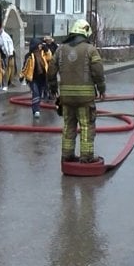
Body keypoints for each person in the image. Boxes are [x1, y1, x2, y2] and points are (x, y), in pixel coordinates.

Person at [48, 19, 106, 164]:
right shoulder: (90, 50)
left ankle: (67, 155)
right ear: (85, 33)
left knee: (68, 126)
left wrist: (53, 87)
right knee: (86, 126)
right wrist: (101, 89)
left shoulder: (60, 50)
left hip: (66, 98)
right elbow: (98, 71)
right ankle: (86, 157)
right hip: (85, 99)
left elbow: (51, 69)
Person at [20, 38, 50, 118]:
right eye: (39, 44)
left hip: (42, 78)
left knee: (39, 94)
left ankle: (35, 109)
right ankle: (36, 110)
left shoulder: (43, 54)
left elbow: (50, 57)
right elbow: (25, 66)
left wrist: (47, 49)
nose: (41, 46)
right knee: (35, 93)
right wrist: (22, 76)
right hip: (33, 78)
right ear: (35, 46)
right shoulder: (29, 56)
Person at [0, 24, 16, 91]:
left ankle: (5, 84)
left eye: (0, 28)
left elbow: (10, 45)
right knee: (0, 69)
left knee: (6, 70)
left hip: (6, 55)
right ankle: (0, 84)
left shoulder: (6, 36)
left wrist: (10, 53)